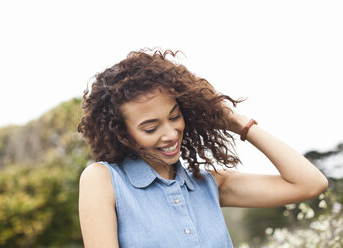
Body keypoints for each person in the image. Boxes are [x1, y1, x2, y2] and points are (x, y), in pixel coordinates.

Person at [77, 49, 328, 248]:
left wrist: (238, 122)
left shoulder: (209, 184)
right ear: (122, 134)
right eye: (150, 128)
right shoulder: (103, 181)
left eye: (174, 117)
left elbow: (310, 183)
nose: (170, 134)